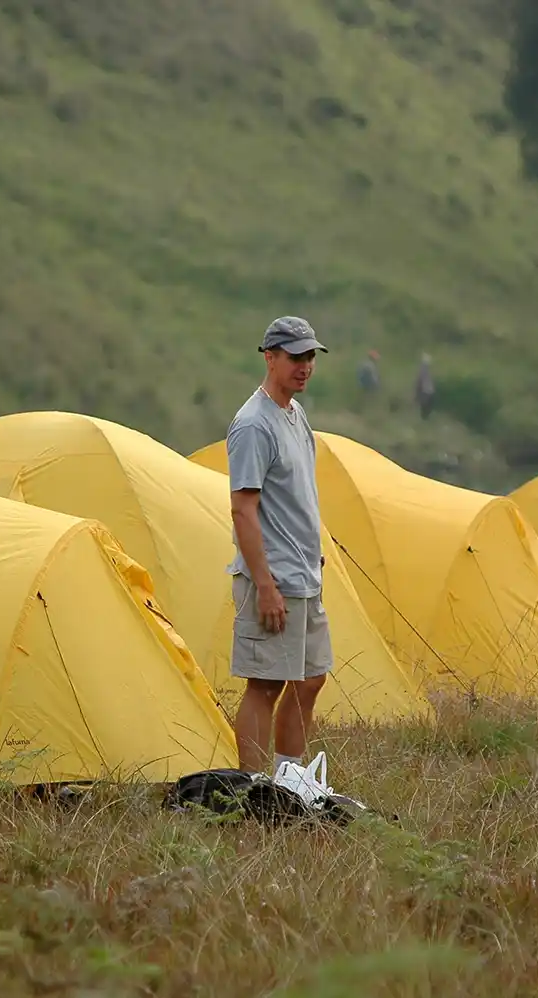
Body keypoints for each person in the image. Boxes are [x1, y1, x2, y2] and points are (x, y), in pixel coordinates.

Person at [225, 316, 332, 776]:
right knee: (265, 684)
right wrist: (265, 585)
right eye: (295, 357)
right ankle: (251, 791)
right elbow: (242, 511)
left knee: (310, 678)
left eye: (309, 356)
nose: (304, 365)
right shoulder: (253, 425)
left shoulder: (294, 412)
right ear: (270, 358)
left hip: (305, 573)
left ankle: (290, 779)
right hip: (272, 577)